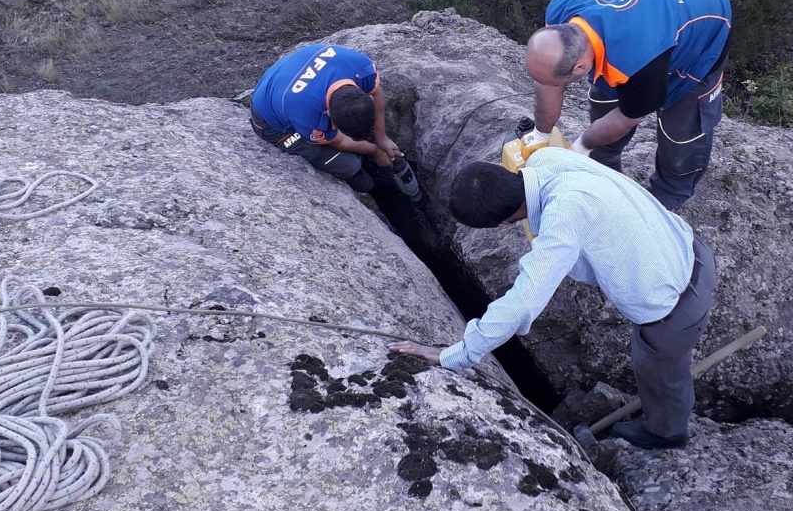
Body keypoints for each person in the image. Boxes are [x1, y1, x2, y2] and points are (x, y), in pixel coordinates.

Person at [389, 148, 717, 450]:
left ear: (503, 222)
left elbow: (522, 302)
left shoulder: (563, 218)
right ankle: (662, 413)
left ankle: (667, 432)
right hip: (689, 247)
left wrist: (455, 354)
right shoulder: (547, 159)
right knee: (657, 364)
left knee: (659, 368)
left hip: (675, 307)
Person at [523, 0, 732, 212]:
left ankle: (668, 195)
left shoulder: (639, 58)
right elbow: (549, 83)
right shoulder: (560, 11)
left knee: (680, 131)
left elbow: (628, 116)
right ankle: (605, 161)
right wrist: (541, 134)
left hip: (703, 15)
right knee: (606, 95)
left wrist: (581, 145)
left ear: (579, 67)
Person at [249, 44, 401, 194]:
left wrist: (382, 138)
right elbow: (339, 141)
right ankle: (360, 183)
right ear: (328, 113)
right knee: (349, 165)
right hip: (272, 123)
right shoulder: (308, 116)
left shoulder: (361, 68)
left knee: (356, 144)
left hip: (286, 81)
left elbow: (376, 94)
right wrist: (374, 151)